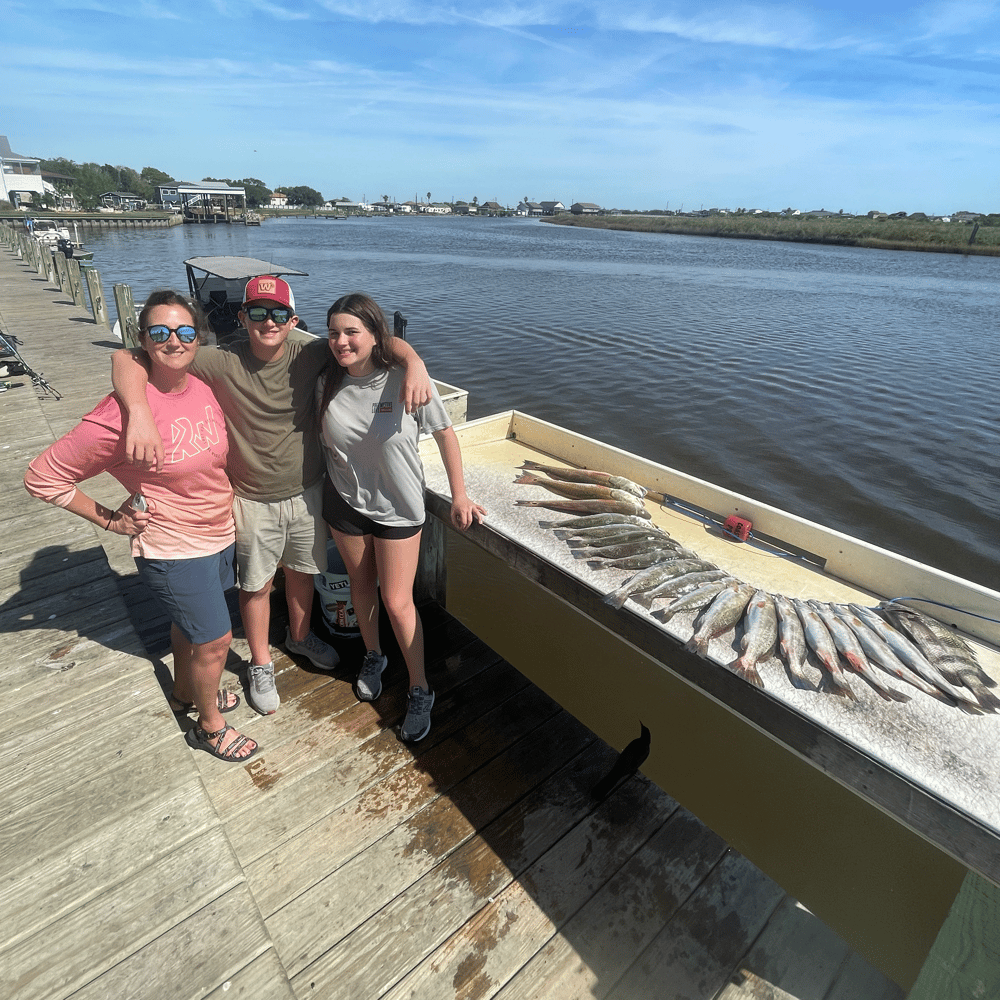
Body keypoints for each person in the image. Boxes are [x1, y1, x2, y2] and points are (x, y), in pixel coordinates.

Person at [112, 276, 432, 716]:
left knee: (302, 572)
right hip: (251, 496)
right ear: (242, 318)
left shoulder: (314, 350)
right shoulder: (219, 359)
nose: (268, 322)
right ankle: (261, 664)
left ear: (292, 319)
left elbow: (378, 342)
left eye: (278, 313)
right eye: (257, 312)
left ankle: (299, 638)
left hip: (309, 492)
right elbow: (129, 358)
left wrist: (414, 362)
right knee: (256, 584)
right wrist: (139, 410)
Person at [25, 290, 257, 762]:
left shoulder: (200, 384)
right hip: (172, 546)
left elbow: (126, 360)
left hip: (217, 533)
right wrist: (110, 519)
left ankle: (187, 692)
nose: (174, 341)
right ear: (143, 340)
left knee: (189, 628)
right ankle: (210, 727)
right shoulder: (117, 416)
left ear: (199, 338)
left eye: (185, 331)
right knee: (214, 639)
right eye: (160, 332)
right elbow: (43, 477)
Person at [319, 292, 486, 742]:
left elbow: (446, 434)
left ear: (376, 336)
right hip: (345, 502)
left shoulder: (405, 379)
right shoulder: (326, 375)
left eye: (352, 332)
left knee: (397, 600)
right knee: (360, 585)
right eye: (334, 332)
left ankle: (420, 687)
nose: (341, 341)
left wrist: (460, 495)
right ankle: (374, 655)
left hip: (398, 507)